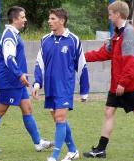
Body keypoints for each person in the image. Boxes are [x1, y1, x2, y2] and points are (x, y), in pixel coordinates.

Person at [83, 0, 134, 159]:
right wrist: (81, 58)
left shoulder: (128, 32)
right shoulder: (117, 33)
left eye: (110, 14)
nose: (109, 17)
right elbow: (104, 53)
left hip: (127, 84)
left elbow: (131, 61)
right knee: (109, 111)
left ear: (117, 14)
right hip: (117, 84)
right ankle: (100, 149)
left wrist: (123, 83)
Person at [0, 6, 53, 153]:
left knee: (27, 109)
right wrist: (19, 74)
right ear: (15, 19)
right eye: (22, 17)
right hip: (10, 81)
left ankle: (38, 142)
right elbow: (9, 59)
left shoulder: (13, 34)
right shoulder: (9, 35)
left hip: (16, 81)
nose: (25, 19)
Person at [32, 8, 90, 161]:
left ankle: (54, 156)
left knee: (60, 117)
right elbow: (39, 64)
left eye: (52, 19)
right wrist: (37, 83)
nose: (49, 21)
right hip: (50, 86)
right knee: (59, 120)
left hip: (65, 86)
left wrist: (84, 91)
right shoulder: (45, 40)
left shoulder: (73, 40)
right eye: (49, 19)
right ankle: (72, 150)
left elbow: (82, 66)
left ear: (62, 20)